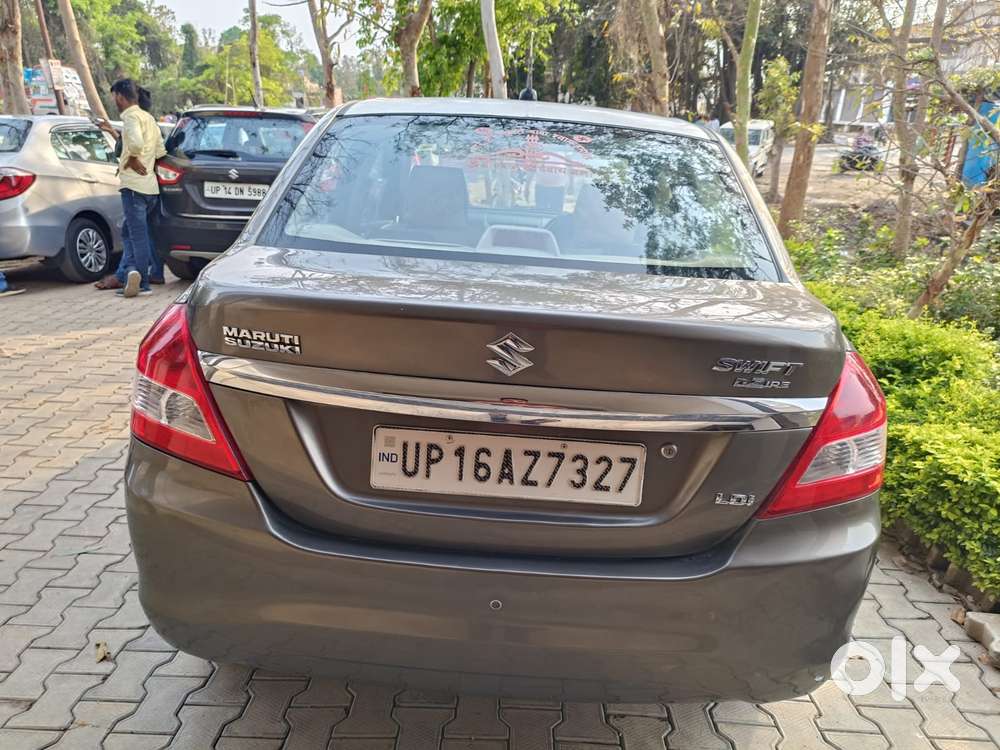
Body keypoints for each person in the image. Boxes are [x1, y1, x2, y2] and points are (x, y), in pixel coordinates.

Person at [93, 80, 165, 296]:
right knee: (136, 233)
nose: (114, 101)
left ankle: (141, 282)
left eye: (115, 96)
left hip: (134, 187)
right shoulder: (148, 118)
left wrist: (133, 158)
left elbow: (134, 144)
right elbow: (160, 150)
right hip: (150, 187)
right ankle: (135, 273)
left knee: (137, 236)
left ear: (121, 97)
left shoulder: (131, 116)